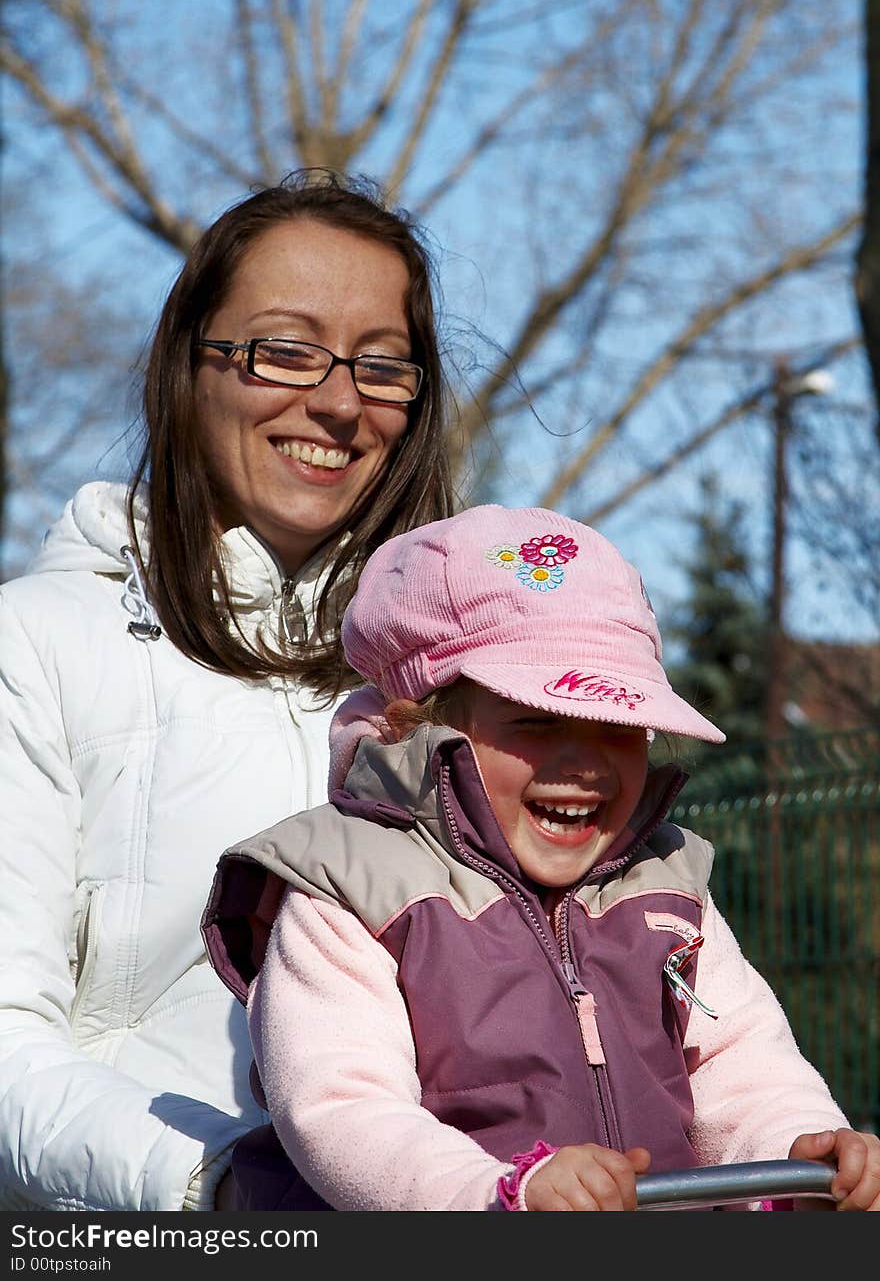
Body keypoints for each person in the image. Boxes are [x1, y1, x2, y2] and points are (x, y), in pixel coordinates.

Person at [202, 504, 880, 1212]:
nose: (584, 763)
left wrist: (801, 1153)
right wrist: (495, 1194)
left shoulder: (666, 885)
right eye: (535, 719)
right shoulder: (351, 885)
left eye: (618, 726)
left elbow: (743, 1065)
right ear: (416, 724)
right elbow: (342, 1107)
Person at [0, 169, 454, 1211]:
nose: (338, 402)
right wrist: (226, 1185)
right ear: (188, 367)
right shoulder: (35, 646)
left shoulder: (456, 690)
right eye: (283, 350)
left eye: (383, 368)